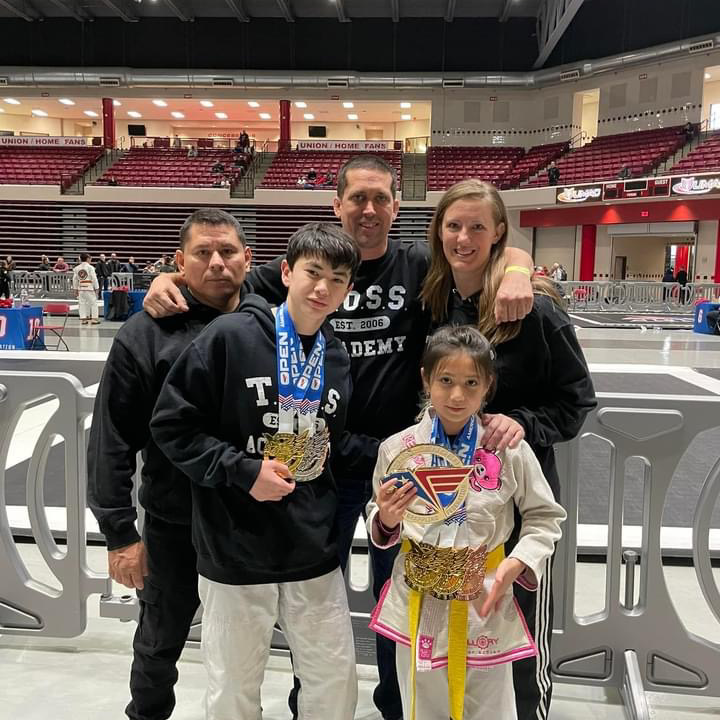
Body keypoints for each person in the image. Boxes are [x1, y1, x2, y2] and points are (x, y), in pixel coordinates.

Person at [141, 154, 536, 720]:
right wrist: (169, 276)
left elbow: (478, 246)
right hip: (265, 512)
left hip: (382, 475)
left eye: (380, 199)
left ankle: (398, 706)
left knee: (386, 606)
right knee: (242, 672)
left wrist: (519, 265)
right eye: (357, 198)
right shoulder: (243, 326)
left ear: (396, 207)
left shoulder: (411, 271)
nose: (324, 287)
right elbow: (217, 275)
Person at [150, 223, 361, 720]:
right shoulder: (230, 336)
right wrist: (243, 472)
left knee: (334, 681)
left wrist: (404, 456)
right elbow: (172, 426)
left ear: (348, 290)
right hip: (234, 543)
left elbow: (334, 441)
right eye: (312, 273)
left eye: (337, 279)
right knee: (233, 688)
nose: (322, 288)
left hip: (311, 545)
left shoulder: (335, 355)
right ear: (286, 272)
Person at [419, 179, 596, 719]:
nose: (464, 237)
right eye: (454, 225)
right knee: (453, 643)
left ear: (499, 232)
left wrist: (521, 423)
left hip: (515, 511)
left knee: (517, 641)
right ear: (439, 232)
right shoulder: (434, 301)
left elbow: (576, 402)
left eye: (477, 226)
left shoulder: (535, 310)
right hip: (447, 508)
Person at [88, 209, 253, 720]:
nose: (217, 262)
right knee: (158, 643)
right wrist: (119, 534)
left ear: (248, 259)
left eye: (227, 251)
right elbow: (112, 440)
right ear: (180, 262)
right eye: (202, 253)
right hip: (174, 520)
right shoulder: (144, 334)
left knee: (258, 646)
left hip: (254, 519)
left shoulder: (272, 322)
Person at [367, 325, 566, 720]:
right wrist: (386, 518)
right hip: (419, 599)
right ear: (426, 379)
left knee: (492, 710)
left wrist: (519, 561)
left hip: (484, 600)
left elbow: (545, 515)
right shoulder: (398, 449)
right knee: (422, 708)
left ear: (488, 385)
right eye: (445, 380)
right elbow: (379, 513)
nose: (457, 395)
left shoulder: (507, 449)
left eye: (471, 383)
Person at [73, 252, 100, 325]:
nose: (90, 260)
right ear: (87, 259)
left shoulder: (76, 268)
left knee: (82, 303)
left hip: (81, 288)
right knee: (93, 303)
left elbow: (75, 280)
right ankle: (94, 319)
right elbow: (94, 278)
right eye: (90, 258)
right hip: (89, 287)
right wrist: (97, 288)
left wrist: (75, 290)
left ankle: (83, 319)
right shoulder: (90, 267)